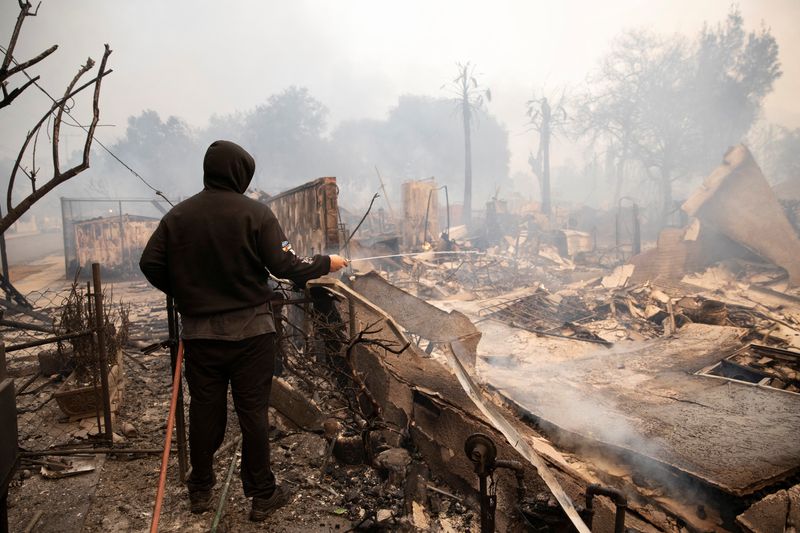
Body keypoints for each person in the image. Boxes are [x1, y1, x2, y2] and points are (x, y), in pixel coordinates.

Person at [139, 140, 348, 521]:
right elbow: (287, 265)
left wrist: (187, 291)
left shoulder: (178, 216)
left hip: (200, 335)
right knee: (252, 412)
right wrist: (326, 263)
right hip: (252, 333)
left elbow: (150, 263)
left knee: (205, 410)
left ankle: (200, 488)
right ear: (239, 174)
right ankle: (262, 495)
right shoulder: (256, 214)